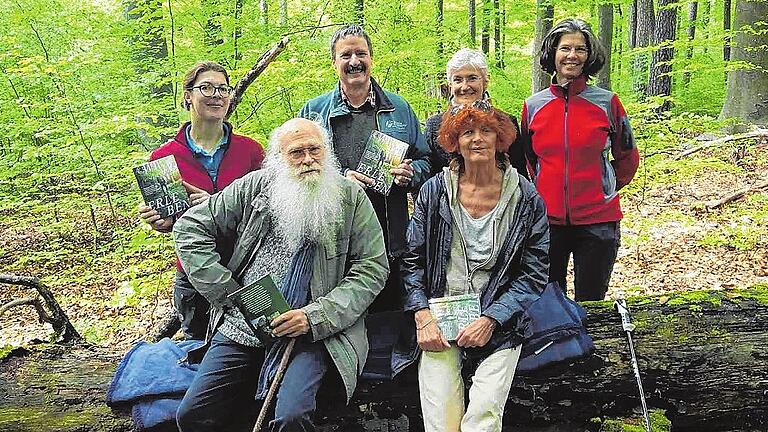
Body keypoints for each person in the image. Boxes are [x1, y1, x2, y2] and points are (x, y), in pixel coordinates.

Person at [173, 117, 389, 432]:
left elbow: (372, 269)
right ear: (278, 159)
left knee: (291, 417)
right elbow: (189, 227)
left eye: (314, 150)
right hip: (243, 321)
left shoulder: (349, 197)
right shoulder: (254, 187)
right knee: (192, 415)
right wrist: (228, 292)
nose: (308, 160)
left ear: (327, 152)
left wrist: (313, 317)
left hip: (316, 332)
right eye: (296, 153)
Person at [392, 104, 550, 432]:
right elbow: (411, 260)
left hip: (500, 318)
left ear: (501, 139)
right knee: (440, 421)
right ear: (454, 141)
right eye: (467, 132)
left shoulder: (525, 198)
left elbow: (534, 271)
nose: (477, 139)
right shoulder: (434, 192)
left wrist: (492, 318)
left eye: (486, 131)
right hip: (440, 315)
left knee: (484, 415)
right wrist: (422, 317)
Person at [299, 24, 431, 312]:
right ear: (334, 62)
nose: (354, 61)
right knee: (345, 317)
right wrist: (341, 179)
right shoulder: (313, 112)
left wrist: (411, 174)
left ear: (371, 58)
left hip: (391, 238)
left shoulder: (399, 108)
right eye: (346, 55)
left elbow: (426, 160)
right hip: (335, 244)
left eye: (361, 53)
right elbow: (295, 171)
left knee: (391, 320)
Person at [138, 61, 265, 339]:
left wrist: (215, 205)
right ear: (187, 96)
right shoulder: (164, 158)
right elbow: (170, 221)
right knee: (197, 349)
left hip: (246, 267)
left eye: (222, 88)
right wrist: (159, 221)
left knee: (259, 340)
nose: (216, 95)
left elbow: (266, 211)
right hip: (193, 275)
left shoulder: (251, 151)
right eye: (206, 88)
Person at [521, 18, 639, 301]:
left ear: (589, 56)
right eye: (565, 48)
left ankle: (591, 345)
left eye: (580, 49)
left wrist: (604, 188)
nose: (572, 55)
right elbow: (529, 160)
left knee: (592, 299)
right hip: (547, 221)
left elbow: (627, 156)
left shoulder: (607, 102)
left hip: (598, 221)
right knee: (550, 300)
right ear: (553, 53)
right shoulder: (533, 105)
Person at [424, 48, 527, 179]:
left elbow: (520, 175)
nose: (465, 86)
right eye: (458, 80)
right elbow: (425, 181)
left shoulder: (505, 122)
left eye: (472, 78)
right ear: (450, 85)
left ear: (485, 82)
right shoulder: (434, 126)